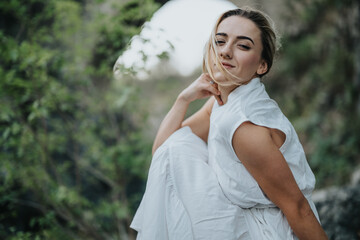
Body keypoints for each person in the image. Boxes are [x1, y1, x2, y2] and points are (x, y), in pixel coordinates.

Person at [130, 7, 329, 240]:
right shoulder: (222, 103)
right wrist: (183, 99)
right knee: (176, 150)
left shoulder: (245, 127)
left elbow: (298, 208)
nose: (225, 52)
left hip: (267, 232)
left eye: (242, 46)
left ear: (261, 66)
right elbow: (163, 154)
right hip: (243, 219)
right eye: (220, 41)